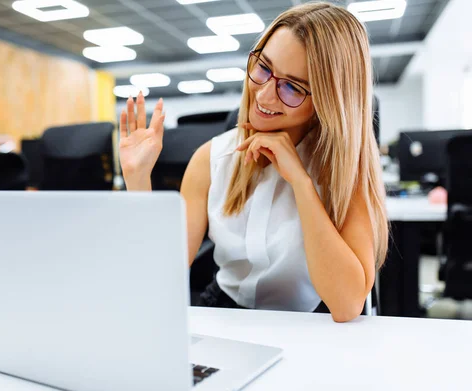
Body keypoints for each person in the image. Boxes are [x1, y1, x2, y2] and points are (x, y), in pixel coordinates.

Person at [118, 2, 388, 322]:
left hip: (308, 324)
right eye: (263, 68)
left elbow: (346, 305)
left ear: (328, 100)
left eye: (291, 87)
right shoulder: (212, 158)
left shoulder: (345, 171)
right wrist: (137, 180)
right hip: (223, 312)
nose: (263, 96)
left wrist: (301, 183)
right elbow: (158, 278)